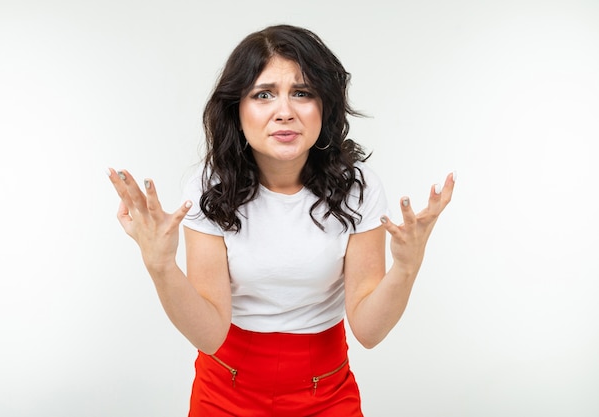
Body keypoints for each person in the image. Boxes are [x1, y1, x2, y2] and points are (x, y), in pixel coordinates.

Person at [108, 24, 454, 417]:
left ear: (324, 106)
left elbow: (369, 331)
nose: (284, 112)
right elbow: (208, 334)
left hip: (326, 391)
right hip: (225, 387)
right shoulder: (209, 187)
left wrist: (407, 267)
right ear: (237, 111)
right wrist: (161, 266)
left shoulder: (357, 188)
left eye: (302, 93)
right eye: (264, 94)